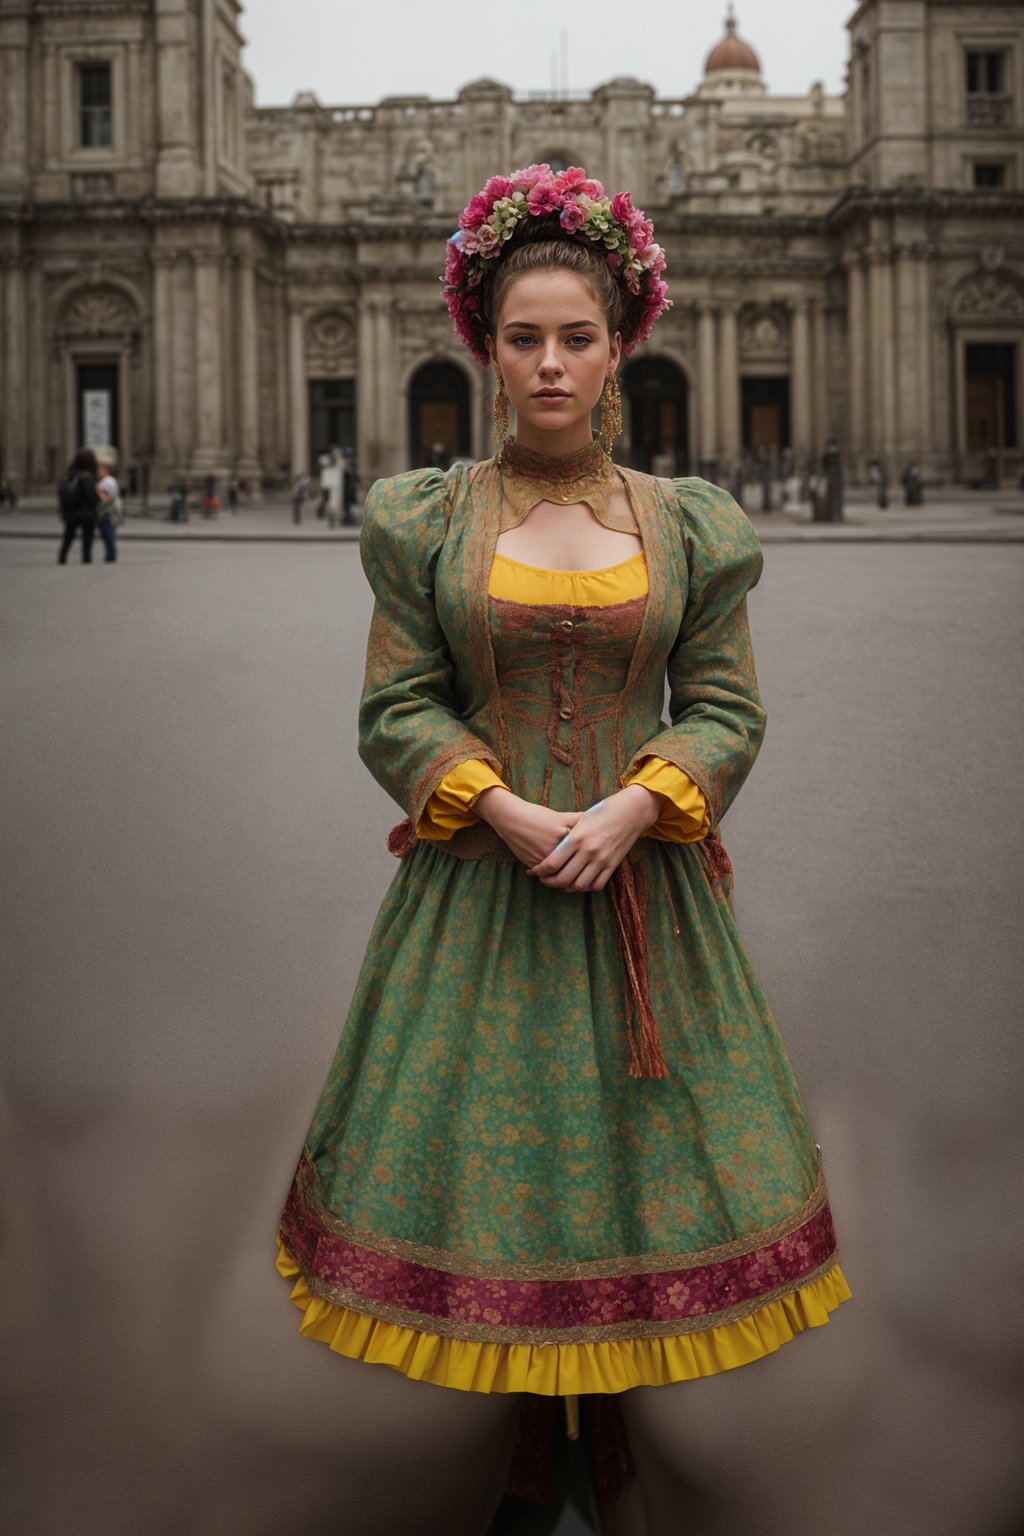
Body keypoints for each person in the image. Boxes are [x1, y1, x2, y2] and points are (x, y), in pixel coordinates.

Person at [275, 164, 852, 1507]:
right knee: (512, 1156)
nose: (549, 365)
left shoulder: (688, 523)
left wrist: (644, 801)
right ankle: (543, 1420)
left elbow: (724, 703)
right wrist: (506, 805)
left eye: (576, 339)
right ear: (485, 344)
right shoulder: (424, 520)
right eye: (523, 337)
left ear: (620, 347)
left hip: (643, 880)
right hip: (487, 875)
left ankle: (606, 1405)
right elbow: (394, 704)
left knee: (628, 1151)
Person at [57, 448, 101, 564]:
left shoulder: (68, 476)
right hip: (86, 515)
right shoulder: (86, 477)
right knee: (87, 543)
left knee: (67, 540)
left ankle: (62, 560)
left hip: (71, 513)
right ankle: (86, 564)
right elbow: (92, 497)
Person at [96, 449, 122, 563]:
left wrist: (97, 492)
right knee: (109, 534)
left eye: (100, 468)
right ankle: (110, 556)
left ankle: (110, 557)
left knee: (108, 534)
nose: (98, 471)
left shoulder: (107, 482)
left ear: (107, 470)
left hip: (106, 512)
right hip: (108, 512)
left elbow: (107, 498)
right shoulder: (108, 481)